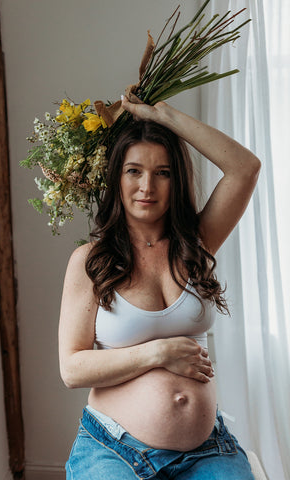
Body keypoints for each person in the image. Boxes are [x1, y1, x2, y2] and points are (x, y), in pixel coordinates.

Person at [59, 97, 261, 479]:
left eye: (163, 172)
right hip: (114, 447)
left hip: (206, 450)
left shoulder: (196, 244)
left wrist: (161, 115)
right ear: (117, 177)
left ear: (176, 180)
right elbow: (72, 368)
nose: (147, 186)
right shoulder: (91, 261)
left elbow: (245, 168)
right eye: (134, 170)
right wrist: (159, 353)